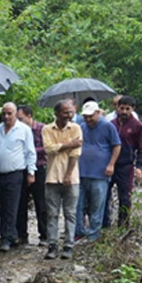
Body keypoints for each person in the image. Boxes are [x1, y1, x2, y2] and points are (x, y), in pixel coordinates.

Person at [0, 102, 36, 250]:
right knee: (1, 206)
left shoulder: (24, 130)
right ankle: (10, 234)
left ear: (15, 114)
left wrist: (31, 172)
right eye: (4, 113)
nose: (7, 116)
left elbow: (30, 152)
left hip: (15, 173)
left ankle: (6, 239)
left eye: (10, 113)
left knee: (12, 206)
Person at [74, 101, 121, 243]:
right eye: (86, 117)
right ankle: (79, 231)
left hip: (100, 173)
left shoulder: (108, 126)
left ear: (98, 113)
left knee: (97, 205)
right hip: (81, 172)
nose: (88, 119)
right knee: (78, 205)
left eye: (91, 116)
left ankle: (94, 233)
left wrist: (111, 164)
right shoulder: (81, 127)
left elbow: (116, 145)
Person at [42, 100, 82, 260]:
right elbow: (48, 149)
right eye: (66, 112)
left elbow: (76, 153)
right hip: (52, 177)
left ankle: (68, 245)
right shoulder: (47, 129)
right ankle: (52, 245)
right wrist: (69, 144)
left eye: (71, 111)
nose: (69, 114)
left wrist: (67, 174)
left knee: (70, 213)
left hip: (71, 178)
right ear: (57, 113)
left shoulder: (76, 128)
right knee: (52, 214)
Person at [103, 95, 142, 229]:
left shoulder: (137, 126)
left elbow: (141, 147)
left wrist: (139, 166)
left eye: (128, 109)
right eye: (122, 108)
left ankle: (123, 227)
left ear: (133, 109)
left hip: (126, 166)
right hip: (109, 165)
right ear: (117, 108)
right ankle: (105, 225)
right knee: (104, 196)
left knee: (125, 198)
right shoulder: (111, 124)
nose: (124, 111)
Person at [16, 105, 48, 246]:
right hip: (21, 169)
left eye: (21, 118)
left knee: (41, 203)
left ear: (30, 116)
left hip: (39, 168)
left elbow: (48, 147)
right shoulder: (17, 130)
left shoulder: (42, 129)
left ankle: (45, 235)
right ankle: (22, 235)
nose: (19, 122)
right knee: (21, 203)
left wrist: (30, 150)